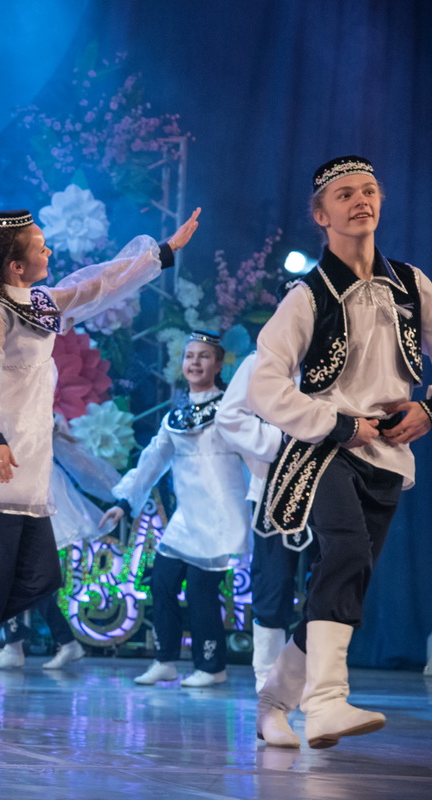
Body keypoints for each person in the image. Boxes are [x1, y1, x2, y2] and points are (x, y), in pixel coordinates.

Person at [0, 206, 200, 724]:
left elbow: (97, 285)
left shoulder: (40, 303)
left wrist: (161, 253)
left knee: (42, 578)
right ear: (16, 265)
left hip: (29, 464)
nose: (48, 251)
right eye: (39, 245)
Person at [248, 156, 432, 749]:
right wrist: (333, 422)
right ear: (320, 215)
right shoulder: (308, 296)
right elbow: (263, 385)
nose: (361, 201)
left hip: (387, 456)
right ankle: (326, 703)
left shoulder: (411, 285)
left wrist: (429, 410)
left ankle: (274, 701)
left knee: (346, 582)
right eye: (345, 194)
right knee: (346, 553)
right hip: (323, 449)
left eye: (369, 190)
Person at [101, 331, 251, 689]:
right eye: (189, 356)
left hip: (221, 517)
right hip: (187, 519)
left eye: (204, 356)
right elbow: (153, 460)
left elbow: (257, 454)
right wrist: (124, 503)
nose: (195, 362)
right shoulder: (176, 416)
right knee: (162, 583)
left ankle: (211, 666)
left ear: (218, 364)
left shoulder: (232, 411)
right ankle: (164, 660)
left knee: (201, 591)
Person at [213, 350, 315, 693]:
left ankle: (316, 674)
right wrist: (280, 441)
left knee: (330, 585)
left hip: (332, 481)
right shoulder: (263, 360)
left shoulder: (343, 355)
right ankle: (268, 678)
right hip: (275, 485)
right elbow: (230, 416)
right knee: (273, 582)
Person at [0, 415, 118, 672]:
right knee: (16, 578)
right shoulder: (18, 411)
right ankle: (25, 645)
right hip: (19, 494)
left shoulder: (37, 413)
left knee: (26, 579)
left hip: (35, 498)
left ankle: (43, 644)